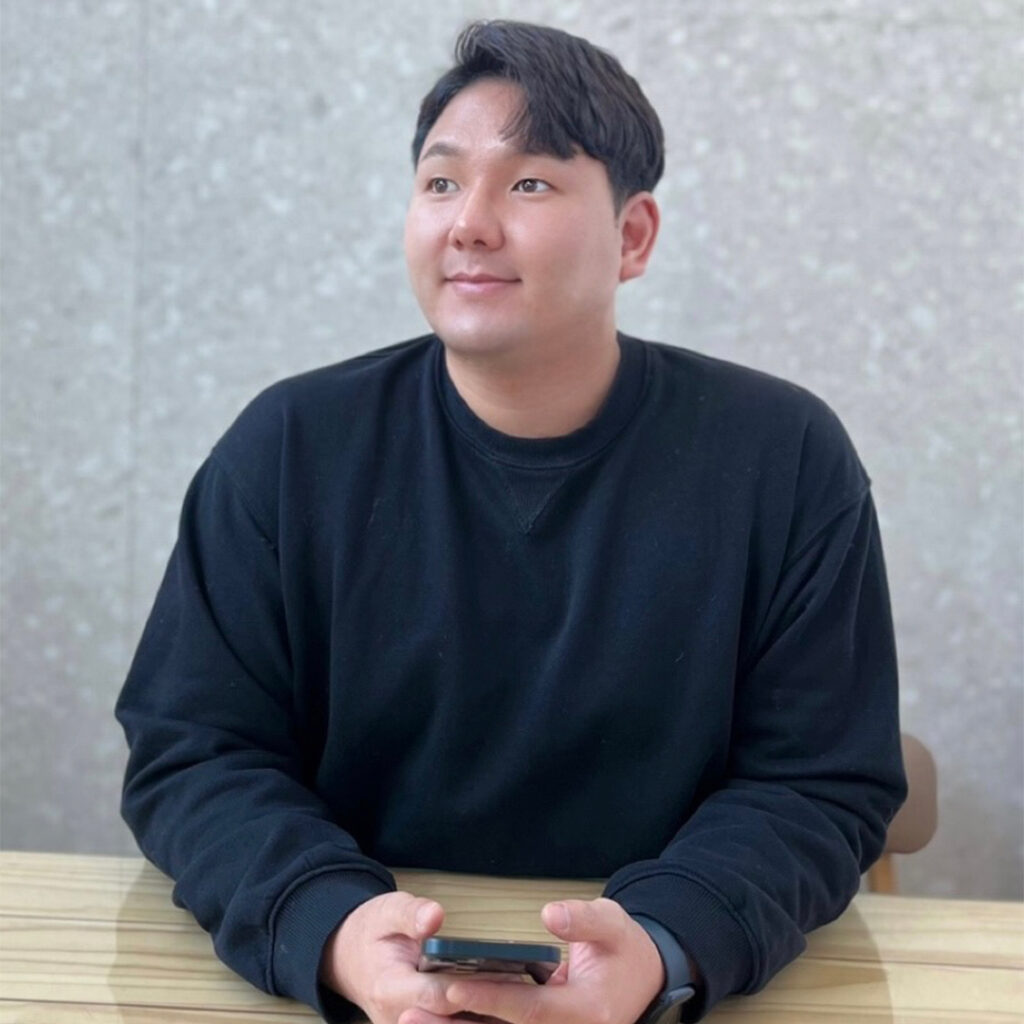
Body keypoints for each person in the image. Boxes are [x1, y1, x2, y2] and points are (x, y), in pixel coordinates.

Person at [115, 19, 906, 1024]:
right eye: (441, 182)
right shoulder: (288, 446)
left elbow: (817, 781)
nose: (470, 224)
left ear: (633, 237)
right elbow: (195, 751)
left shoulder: (782, 455)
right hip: (363, 971)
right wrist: (334, 927)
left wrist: (664, 945)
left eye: (529, 183)